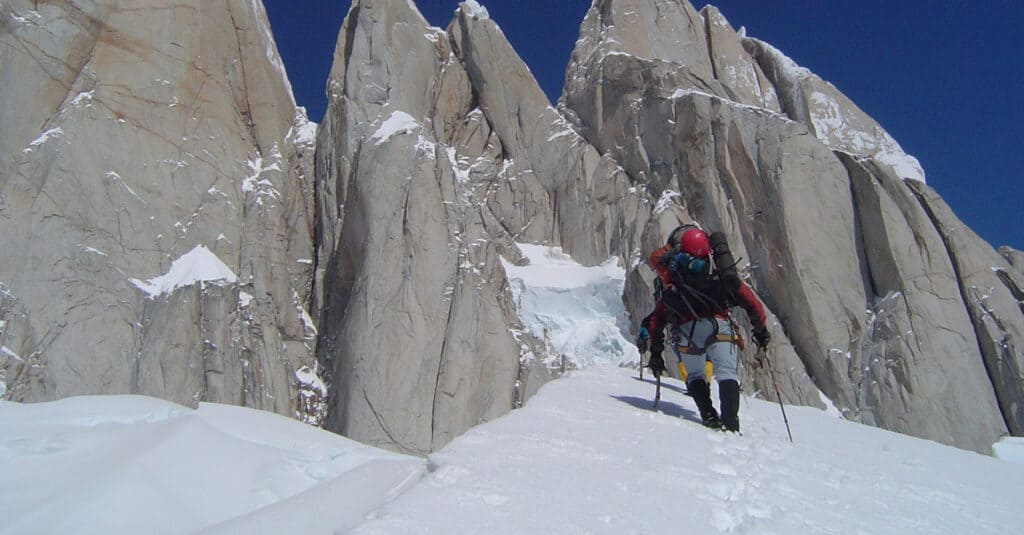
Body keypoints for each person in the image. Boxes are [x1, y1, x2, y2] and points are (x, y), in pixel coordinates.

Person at [644, 224, 770, 432]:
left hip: (687, 333)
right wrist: (761, 330)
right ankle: (730, 424)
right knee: (726, 373)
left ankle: (708, 415)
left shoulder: (676, 278)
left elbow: (656, 320)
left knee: (695, 376)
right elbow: (751, 303)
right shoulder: (720, 276)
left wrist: (656, 353)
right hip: (719, 327)